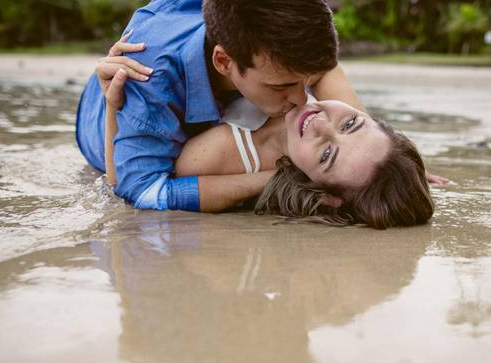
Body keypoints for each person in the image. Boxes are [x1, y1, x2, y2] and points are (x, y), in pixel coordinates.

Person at [75, 0, 364, 213]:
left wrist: (365, 137)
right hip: (103, 120)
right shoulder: (150, 80)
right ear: (224, 62)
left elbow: (323, 70)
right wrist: (279, 180)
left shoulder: (266, 40)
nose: (301, 101)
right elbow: (143, 192)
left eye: (304, 82)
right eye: (282, 86)